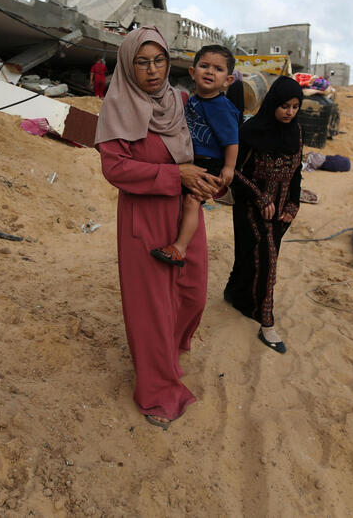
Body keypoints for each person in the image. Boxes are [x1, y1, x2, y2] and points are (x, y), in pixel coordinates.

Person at [95, 26, 221, 430]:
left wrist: (202, 179)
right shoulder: (118, 105)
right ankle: (157, 391)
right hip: (144, 215)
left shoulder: (177, 100)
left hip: (186, 210)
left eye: (160, 60)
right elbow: (115, 167)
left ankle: (171, 351)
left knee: (192, 294)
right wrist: (176, 176)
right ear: (129, 66)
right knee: (151, 308)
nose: (152, 70)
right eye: (142, 62)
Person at [222, 77, 304, 354]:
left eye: (295, 107)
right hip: (250, 206)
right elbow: (235, 173)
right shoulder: (251, 131)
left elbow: (296, 174)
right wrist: (260, 196)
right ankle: (266, 322)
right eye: (284, 106)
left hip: (281, 213)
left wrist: (294, 205)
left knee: (252, 256)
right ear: (272, 103)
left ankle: (237, 296)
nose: (289, 112)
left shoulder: (296, 132)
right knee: (267, 263)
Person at [151, 45, 241, 266]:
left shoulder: (222, 107)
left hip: (209, 163)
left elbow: (232, 141)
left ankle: (180, 248)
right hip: (191, 159)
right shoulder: (192, 101)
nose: (210, 72)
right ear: (193, 72)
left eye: (218, 69)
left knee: (192, 201)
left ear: (228, 80)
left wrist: (229, 168)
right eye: (204, 66)